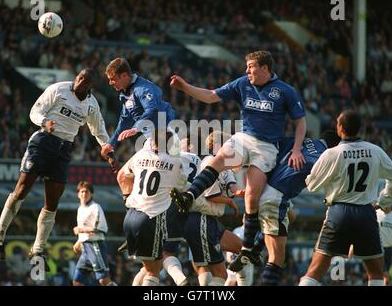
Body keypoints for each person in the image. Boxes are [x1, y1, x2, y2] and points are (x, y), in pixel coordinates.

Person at [170, 50, 306, 264]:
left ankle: (248, 248)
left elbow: (301, 122)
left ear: (264, 68)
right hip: (245, 137)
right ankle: (189, 196)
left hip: (267, 147)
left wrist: (297, 149)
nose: (247, 70)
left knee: (252, 196)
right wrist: (185, 86)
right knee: (219, 159)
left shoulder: (285, 91)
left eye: (251, 66)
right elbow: (211, 95)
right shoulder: (242, 83)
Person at [0, 69, 110, 261]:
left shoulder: (91, 105)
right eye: (79, 77)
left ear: (91, 86)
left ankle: (37, 249)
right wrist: (45, 122)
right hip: (43, 142)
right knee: (21, 190)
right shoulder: (59, 89)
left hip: (63, 151)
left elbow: (99, 130)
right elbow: (35, 112)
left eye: (85, 81)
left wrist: (108, 149)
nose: (79, 81)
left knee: (52, 204)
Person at [299, 110, 392, 286]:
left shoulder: (332, 153)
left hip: (338, 213)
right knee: (376, 273)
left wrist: (330, 179)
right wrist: (383, 201)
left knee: (315, 270)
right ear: (359, 128)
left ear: (340, 128)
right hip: (366, 213)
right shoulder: (375, 151)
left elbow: (311, 185)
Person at [228, 131, 341, 285]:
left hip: (265, 189)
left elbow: (277, 148)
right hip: (276, 197)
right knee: (276, 259)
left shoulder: (300, 142)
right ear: (335, 146)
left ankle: (253, 251)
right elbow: (315, 185)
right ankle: (250, 252)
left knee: (275, 226)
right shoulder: (325, 157)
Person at [117, 130, 187, 286]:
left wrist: (126, 198)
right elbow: (182, 188)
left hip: (130, 216)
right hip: (150, 219)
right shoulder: (176, 162)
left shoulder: (140, 155)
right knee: (153, 272)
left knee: (146, 267)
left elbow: (121, 176)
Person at [183, 131, 244, 286]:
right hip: (201, 218)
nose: (232, 148)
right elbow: (211, 195)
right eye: (229, 144)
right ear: (218, 146)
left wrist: (243, 193)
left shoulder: (226, 166)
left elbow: (233, 188)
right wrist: (230, 202)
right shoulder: (209, 162)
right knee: (218, 273)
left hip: (210, 220)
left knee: (244, 250)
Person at [101, 57, 177, 168]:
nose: (110, 83)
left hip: (166, 136)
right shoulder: (125, 93)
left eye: (112, 79)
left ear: (124, 75)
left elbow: (152, 109)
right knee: (124, 176)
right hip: (152, 140)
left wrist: (136, 127)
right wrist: (111, 143)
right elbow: (124, 121)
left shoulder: (143, 88)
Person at [72, 181, 116, 286]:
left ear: (91, 194)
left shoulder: (95, 207)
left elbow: (99, 229)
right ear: (78, 194)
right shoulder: (80, 209)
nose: (84, 194)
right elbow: (82, 230)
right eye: (82, 192)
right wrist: (79, 241)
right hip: (85, 249)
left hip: (96, 246)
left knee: (104, 281)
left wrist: (80, 229)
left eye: (87, 191)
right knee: (77, 282)